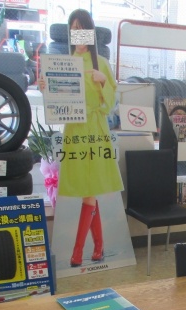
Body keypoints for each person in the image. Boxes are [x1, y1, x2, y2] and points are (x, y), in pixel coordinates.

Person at [58, 8, 123, 267]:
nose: (78, 34)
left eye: (82, 29)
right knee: (88, 191)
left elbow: (112, 105)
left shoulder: (101, 63)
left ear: (91, 33)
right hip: (74, 130)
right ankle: (99, 246)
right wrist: (47, 87)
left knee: (89, 191)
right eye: (74, 29)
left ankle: (77, 252)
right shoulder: (65, 63)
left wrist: (103, 81)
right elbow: (58, 101)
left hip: (95, 130)